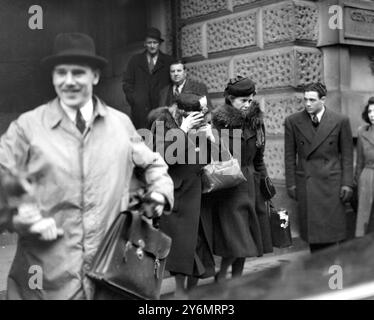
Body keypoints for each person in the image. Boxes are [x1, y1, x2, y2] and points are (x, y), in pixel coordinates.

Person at [0, 32, 174, 300]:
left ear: (94, 76)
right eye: (61, 73)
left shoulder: (120, 125)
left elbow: (153, 164)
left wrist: (160, 192)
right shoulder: (27, 128)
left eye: (78, 73)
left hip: (109, 278)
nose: (68, 82)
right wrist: (21, 211)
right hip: (47, 281)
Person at [148, 93, 215, 298]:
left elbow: (204, 157)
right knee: (179, 247)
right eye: (190, 115)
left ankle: (189, 292)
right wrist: (183, 130)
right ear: (178, 110)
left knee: (198, 244)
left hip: (197, 190)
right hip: (176, 192)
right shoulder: (161, 124)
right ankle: (177, 291)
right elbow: (162, 159)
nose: (194, 118)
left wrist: (209, 138)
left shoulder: (198, 124)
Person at [210, 76, 273, 282]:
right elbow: (211, 157)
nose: (247, 105)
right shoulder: (218, 124)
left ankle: (234, 280)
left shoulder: (256, 123)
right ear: (229, 98)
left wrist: (266, 189)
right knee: (238, 239)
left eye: (250, 99)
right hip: (228, 186)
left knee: (247, 238)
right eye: (242, 100)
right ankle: (224, 276)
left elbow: (259, 159)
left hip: (251, 185)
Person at [284, 82, 353, 253]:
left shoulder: (340, 121)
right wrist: (291, 184)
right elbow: (290, 156)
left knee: (332, 236)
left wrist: (347, 183)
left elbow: (347, 156)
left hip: (332, 184)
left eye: (312, 100)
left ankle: (333, 275)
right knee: (314, 238)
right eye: (305, 99)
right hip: (307, 184)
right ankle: (319, 273)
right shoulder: (293, 121)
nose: (307, 104)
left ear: (323, 99)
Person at [122, 27, 174, 129]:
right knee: (143, 140)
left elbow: (173, 84)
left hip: (161, 109)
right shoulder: (135, 61)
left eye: (155, 42)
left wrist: (168, 104)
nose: (152, 45)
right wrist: (135, 100)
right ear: (145, 44)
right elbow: (127, 83)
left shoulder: (169, 61)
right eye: (149, 43)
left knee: (160, 140)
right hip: (140, 111)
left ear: (159, 43)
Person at [355, 97, 374, 237]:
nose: (372, 114)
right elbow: (360, 161)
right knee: (366, 217)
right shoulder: (362, 131)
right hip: (367, 178)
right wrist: (358, 181)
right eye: (370, 111)